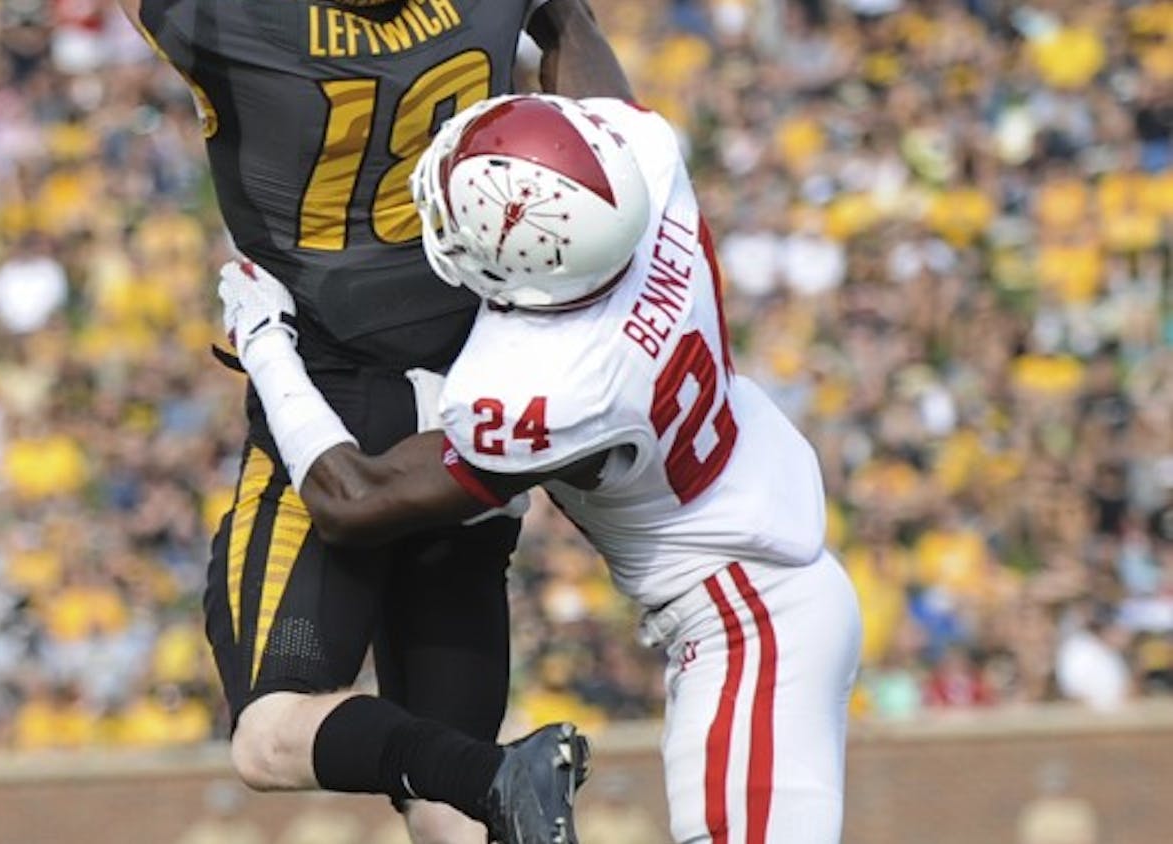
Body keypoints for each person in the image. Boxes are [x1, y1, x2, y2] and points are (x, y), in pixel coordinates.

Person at [220, 94, 863, 844]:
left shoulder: (550, 386)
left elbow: (352, 498)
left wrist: (265, 342)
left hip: (745, 622)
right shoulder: (645, 169)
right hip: (764, 581)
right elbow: (573, 37)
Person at [113, 1, 632, 842]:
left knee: (270, 735)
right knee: (447, 811)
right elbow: (582, 53)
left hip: (333, 397)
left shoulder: (240, 26)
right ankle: (500, 780)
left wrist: (265, 347)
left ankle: (497, 773)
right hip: (473, 397)